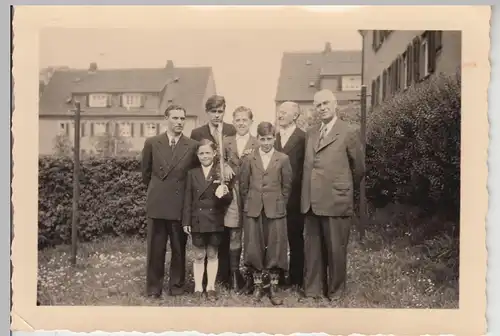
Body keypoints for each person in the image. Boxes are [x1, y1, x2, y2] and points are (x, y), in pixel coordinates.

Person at [300, 89, 365, 303]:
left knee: (336, 249)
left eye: (326, 103)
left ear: (335, 104)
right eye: (318, 105)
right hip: (311, 200)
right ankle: (313, 290)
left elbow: (359, 168)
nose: (322, 108)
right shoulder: (311, 132)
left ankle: (336, 292)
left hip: (336, 199)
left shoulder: (348, 131)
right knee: (313, 249)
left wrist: (342, 188)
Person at [141, 104, 199, 298]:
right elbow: (146, 174)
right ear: (166, 119)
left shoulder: (192, 146)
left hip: (179, 204)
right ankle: (153, 288)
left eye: (182, 119)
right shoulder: (152, 143)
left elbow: (193, 177)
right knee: (155, 249)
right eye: (175, 118)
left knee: (178, 248)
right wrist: (157, 192)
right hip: (157, 203)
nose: (179, 122)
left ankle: (177, 287)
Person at [239, 121, 293, 305]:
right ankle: (257, 286)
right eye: (262, 139)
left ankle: (273, 288)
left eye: (269, 139)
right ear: (258, 138)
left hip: (275, 209)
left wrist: (278, 203)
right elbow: (243, 186)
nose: (266, 143)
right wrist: (252, 202)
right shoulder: (249, 158)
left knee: (276, 247)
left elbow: (287, 186)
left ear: (274, 138)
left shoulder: (283, 159)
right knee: (254, 246)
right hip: (254, 209)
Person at [190, 94, 237, 288]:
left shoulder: (230, 129)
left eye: (220, 111)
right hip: (206, 188)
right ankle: (203, 280)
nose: (217, 115)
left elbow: (234, 154)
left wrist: (228, 166)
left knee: (224, 230)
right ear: (207, 112)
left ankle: (223, 276)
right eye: (213, 112)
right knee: (206, 236)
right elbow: (196, 161)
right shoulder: (197, 132)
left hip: (225, 186)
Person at [182, 139, 235, 301]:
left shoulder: (221, 173)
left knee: (212, 253)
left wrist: (224, 192)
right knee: (198, 254)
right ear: (197, 155)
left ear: (214, 154)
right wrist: (186, 221)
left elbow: (228, 199)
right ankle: (198, 287)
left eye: (208, 153)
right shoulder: (192, 174)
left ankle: (210, 287)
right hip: (197, 219)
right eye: (201, 153)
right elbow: (187, 199)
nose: (205, 156)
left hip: (214, 219)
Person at [222, 106, 259, 293]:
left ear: (251, 122)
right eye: (238, 120)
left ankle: (253, 277)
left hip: (252, 193)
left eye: (245, 120)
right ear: (233, 121)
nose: (241, 123)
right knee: (234, 234)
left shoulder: (258, 142)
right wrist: (225, 166)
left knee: (252, 236)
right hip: (234, 193)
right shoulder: (226, 141)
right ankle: (235, 276)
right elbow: (215, 162)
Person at [274, 101, 306, 291]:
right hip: (275, 197)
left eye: (284, 112)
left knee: (295, 237)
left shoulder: (303, 137)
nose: (280, 115)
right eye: (279, 112)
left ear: (295, 116)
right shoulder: (274, 138)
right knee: (277, 238)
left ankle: (296, 277)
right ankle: (277, 275)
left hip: (295, 196)